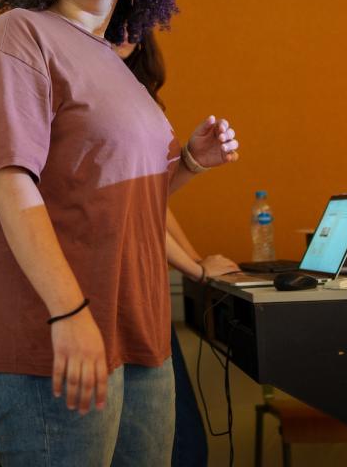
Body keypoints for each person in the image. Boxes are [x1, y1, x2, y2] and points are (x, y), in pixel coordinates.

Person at [0, 0, 241, 466]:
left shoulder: (119, 66)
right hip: (51, 333)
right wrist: (68, 311)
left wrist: (186, 163)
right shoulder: (20, 33)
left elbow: (123, 201)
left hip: (138, 334)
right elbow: (8, 180)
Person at [115, 30, 237, 467]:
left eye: (135, 19)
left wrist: (198, 259)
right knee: (179, 449)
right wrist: (197, 271)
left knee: (183, 447)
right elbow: (126, 208)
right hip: (107, 299)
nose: (125, 29)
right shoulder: (81, 91)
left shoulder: (133, 95)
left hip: (140, 296)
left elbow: (152, 202)